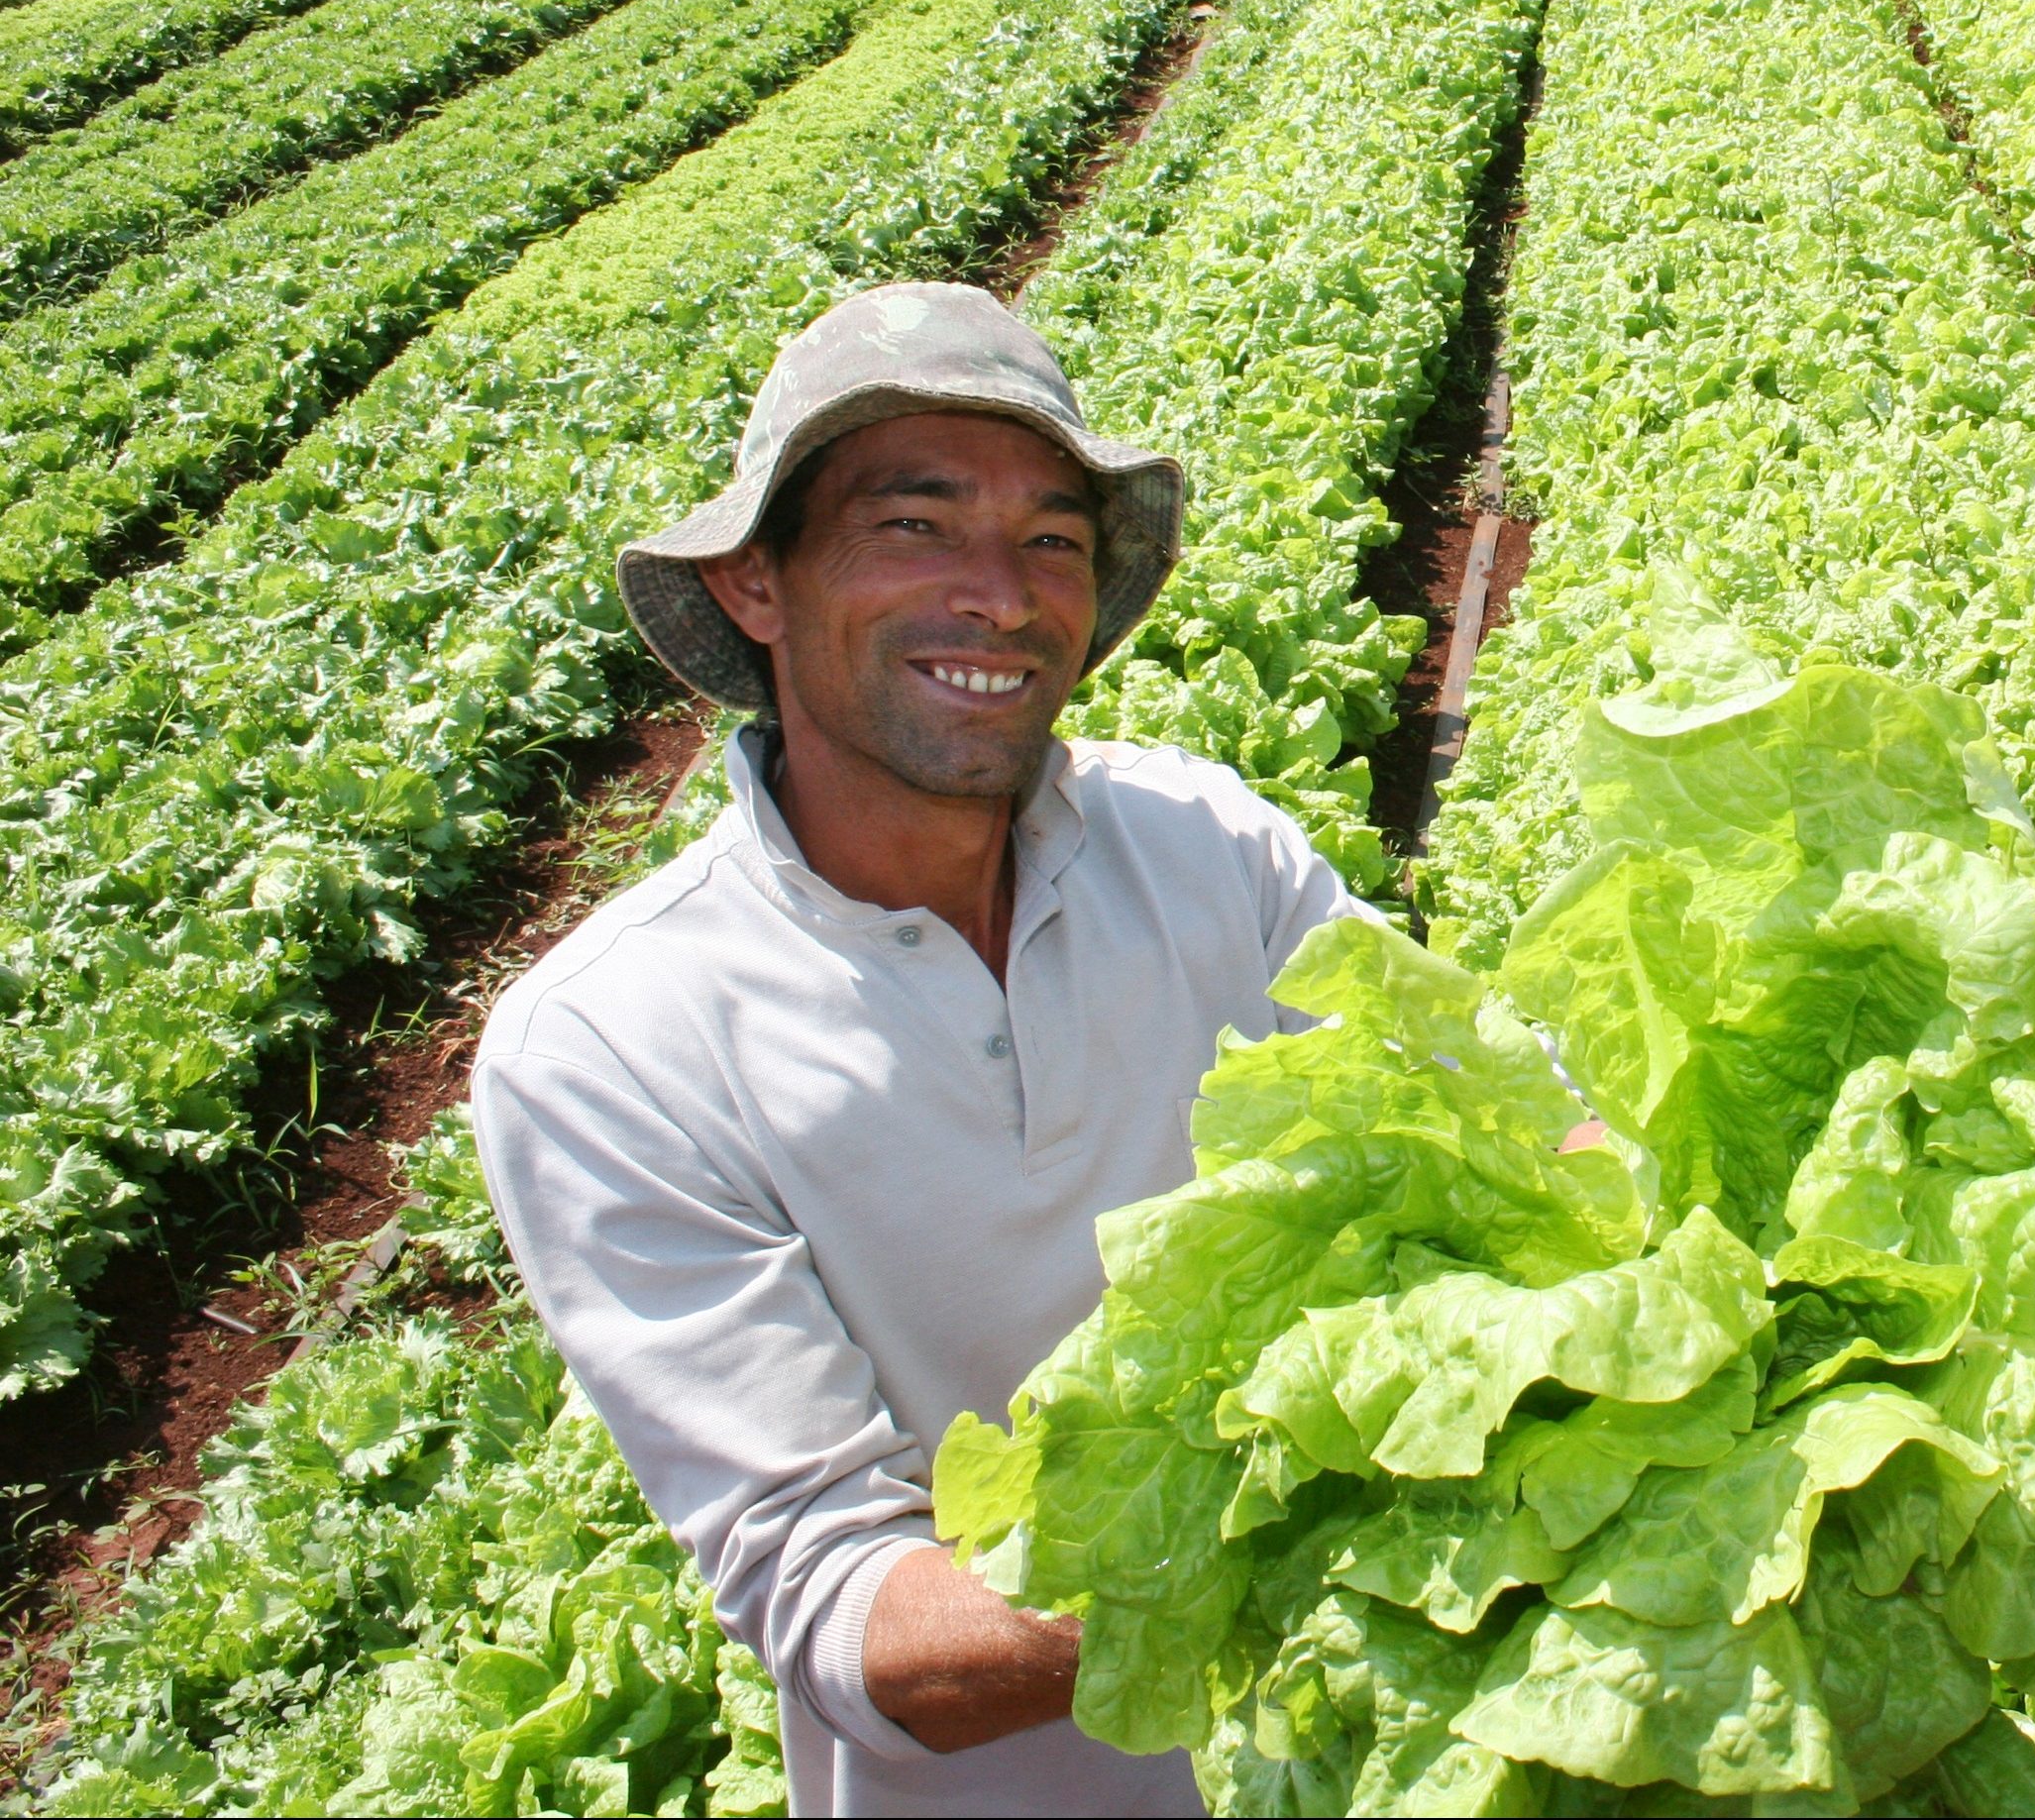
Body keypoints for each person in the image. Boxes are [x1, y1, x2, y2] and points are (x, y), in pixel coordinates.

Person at [472, 282, 1373, 1817]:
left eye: (1052, 540)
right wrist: (1324, 1543)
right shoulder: (613, 1046)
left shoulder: (1216, 848)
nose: (1003, 597)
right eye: (916, 526)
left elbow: (1495, 1127)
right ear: (759, 584)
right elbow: (847, 1602)